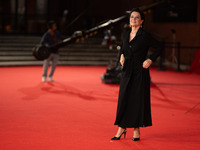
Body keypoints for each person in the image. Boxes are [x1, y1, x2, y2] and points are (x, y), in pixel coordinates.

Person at [111, 8, 162, 141]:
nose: (133, 19)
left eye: (137, 17)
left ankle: (136, 129)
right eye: (132, 17)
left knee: (137, 100)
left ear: (141, 21)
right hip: (127, 70)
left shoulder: (144, 35)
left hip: (140, 70)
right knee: (124, 98)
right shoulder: (125, 33)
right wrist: (122, 55)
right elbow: (124, 47)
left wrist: (150, 59)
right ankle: (121, 127)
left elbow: (160, 46)